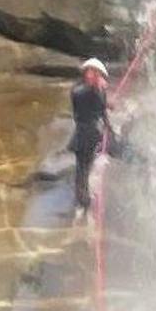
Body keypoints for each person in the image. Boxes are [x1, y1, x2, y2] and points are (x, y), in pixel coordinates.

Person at [67, 59, 116, 209]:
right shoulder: (79, 90)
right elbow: (80, 96)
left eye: (96, 73)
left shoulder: (100, 90)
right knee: (82, 168)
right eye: (90, 71)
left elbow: (101, 110)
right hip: (83, 135)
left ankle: (140, 162)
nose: (93, 75)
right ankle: (82, 201)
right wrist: (94, 87)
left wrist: (107, 103)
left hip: (98, 132)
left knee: (118, 148)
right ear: (85, 73)